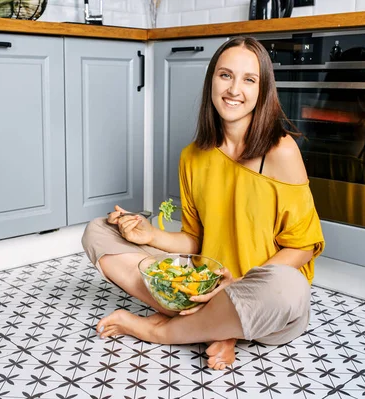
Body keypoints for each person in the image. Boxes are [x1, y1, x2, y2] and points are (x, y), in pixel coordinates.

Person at [81, 36, 325, 370]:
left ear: (262, 90)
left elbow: (303, 247)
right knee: (98, 231)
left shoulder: (281, 151)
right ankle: (220, 327)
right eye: (225, 75)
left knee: (289, 288)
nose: (234, 89)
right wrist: (148, 235)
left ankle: (162, 331)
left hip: (261, 298)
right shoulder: (193, 156)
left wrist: (237, 285)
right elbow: (194, 240)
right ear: (212, 80)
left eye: (248, 79)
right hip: (203, 287)